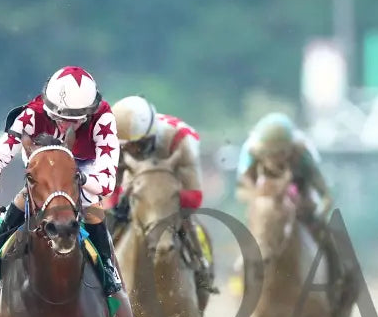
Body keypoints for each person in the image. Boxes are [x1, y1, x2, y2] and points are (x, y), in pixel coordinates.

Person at [0, 65, 123, 296]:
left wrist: (78, 178)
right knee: (28, 194)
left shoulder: (103, 117)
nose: (64, 126)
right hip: (42, 166)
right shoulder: (32, 115)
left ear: (89, 113)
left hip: (82, 168)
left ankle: (105, 263)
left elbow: (106, 182)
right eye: (58, 118)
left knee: (91, 200)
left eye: (74, 122)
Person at [108, 95, 217, 296]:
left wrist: (162, 199)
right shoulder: (115, 144)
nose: (133, 151)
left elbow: (194, 196)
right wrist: (120, 204)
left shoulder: (181, 141)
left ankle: (202, 265)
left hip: (173, 182)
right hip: (136, 185)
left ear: (150, 137)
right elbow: (110, 190)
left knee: (189, 220)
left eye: (138, 146)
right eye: (127, 147)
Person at [236, 112, 348, 290]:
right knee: (248, 239)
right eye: (269, 154)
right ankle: (242, 282)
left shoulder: (303, 156)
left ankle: (338, 284)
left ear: (289, 150)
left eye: (279, 153)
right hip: (265, 209)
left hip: (301, 207)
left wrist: (317, 215)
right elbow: (243, 189)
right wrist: (260, 200)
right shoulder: (251, 155)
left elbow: (326, 195)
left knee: (329, 243)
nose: (274, 159)